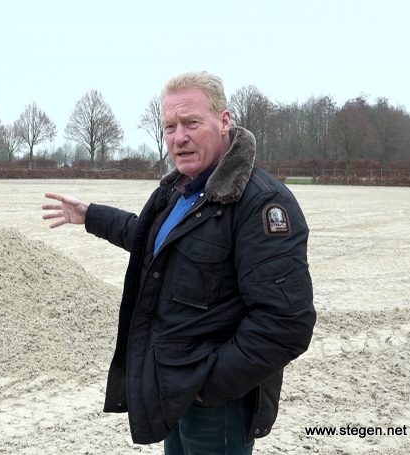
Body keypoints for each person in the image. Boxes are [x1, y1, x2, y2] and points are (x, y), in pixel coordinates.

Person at [42, 71, 315, 454]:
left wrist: (207, 386)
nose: (178, 137)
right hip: (172, 386)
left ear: (224, 121)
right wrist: (91, 216)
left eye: (191, 123)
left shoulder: (259, 203)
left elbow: (287, 323)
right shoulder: (181, 190)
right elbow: (153, 242)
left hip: (216, 403)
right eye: (169, 126)